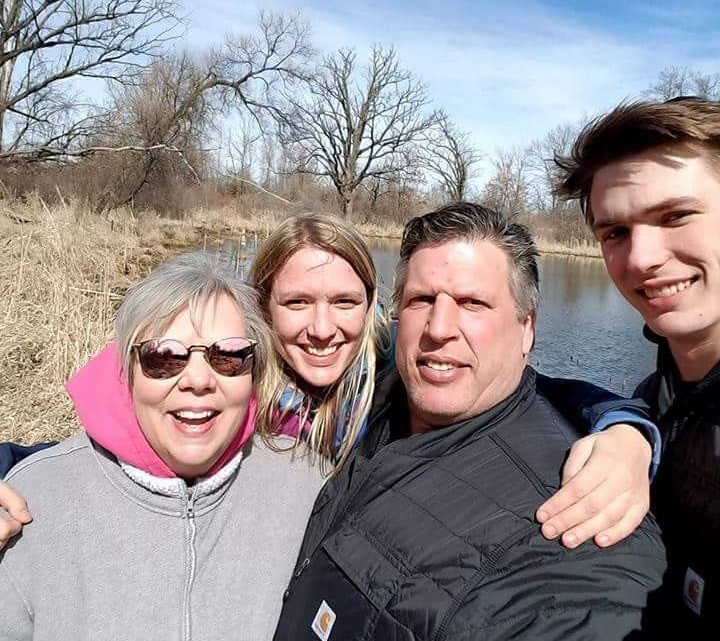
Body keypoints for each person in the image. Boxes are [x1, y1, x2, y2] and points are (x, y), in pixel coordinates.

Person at [0, 215, 657, 552]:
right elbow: (97, 453)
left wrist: (627, 431)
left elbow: (541, 392)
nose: (322, 329)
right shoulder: (226, 382)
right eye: (296, 304)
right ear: (261, 307)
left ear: (374, 307)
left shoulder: (391, 380)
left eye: (344, 302)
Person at [273, 202, 666, 640]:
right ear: (396, 314)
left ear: (527, 328)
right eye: (422, 300)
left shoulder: (582, 506)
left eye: (472, 303)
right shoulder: (381, 392)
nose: (439, 328)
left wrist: (630, 428)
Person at [0, 251, 325, 640]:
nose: (198, 380)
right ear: (127, 373)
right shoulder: (34, 500)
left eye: (229, 356)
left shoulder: (307, 486)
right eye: (164, 357)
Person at [554, 96, 720, 637]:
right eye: (615, 233)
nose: (642, 258)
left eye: (675, 216)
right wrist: (629, 426)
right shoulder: (659, 399)